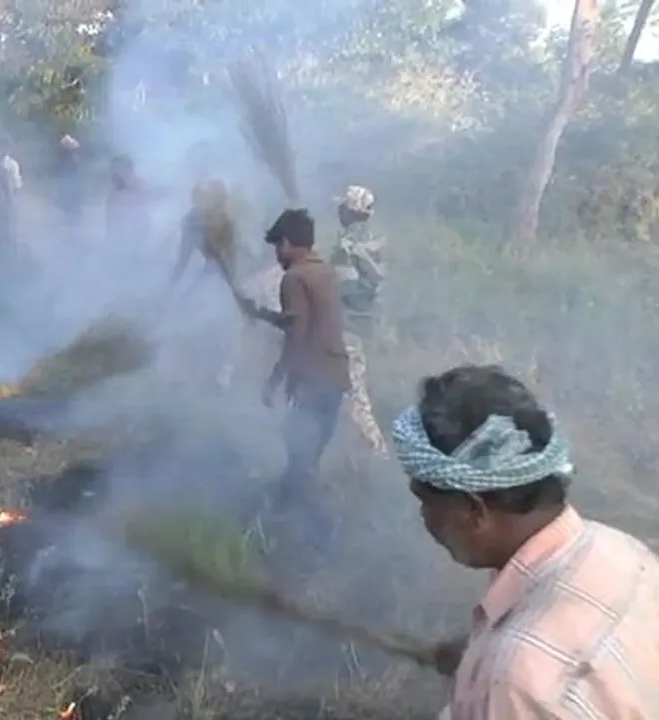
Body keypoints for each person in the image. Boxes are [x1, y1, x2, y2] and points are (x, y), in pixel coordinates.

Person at [392, 364, 659, 719]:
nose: (423, 516)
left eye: (426, 501)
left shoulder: (523, 685)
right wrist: (482, 655)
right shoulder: (624, 552)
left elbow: (538, 677)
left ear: (474, 510)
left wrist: (499, 668)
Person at [234, 209, 349, 517]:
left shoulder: (294, 278)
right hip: (335, 378)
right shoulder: (324, 270)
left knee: (301, 466)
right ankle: (278, 520)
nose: (276, 255)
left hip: (313, 381)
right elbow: (300, 321)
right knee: (303, 461)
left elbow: (296, 337)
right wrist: (259, 312)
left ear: (286, 243)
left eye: (277, 247)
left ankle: (319, 537)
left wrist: (275, 381)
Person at [331, 185, 388, 457]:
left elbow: (345, 290)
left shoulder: (347, 247)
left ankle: (378, 454)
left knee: (355, 399)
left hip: (348, 327)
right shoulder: (375, 239)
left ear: (346, 212)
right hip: (363, 324)